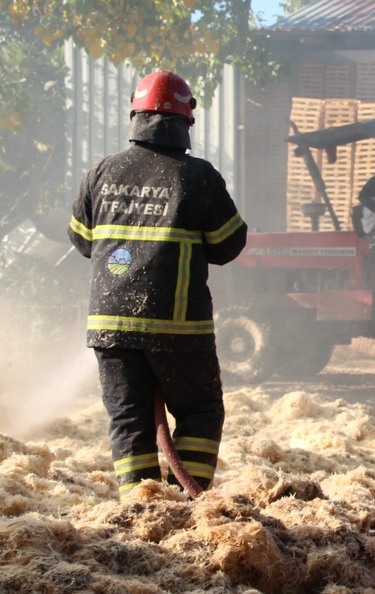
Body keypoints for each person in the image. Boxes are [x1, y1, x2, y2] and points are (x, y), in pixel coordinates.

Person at [67, 70, 247, 499]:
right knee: (201, 411)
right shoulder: (199, 176)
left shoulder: (101, 173)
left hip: (111, 325)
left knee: (129, 420)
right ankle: (190, 503)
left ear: (135, 115)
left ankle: (140, 508)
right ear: (187, 121)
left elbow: (81, 240)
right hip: (179, 327)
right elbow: (228, 244)